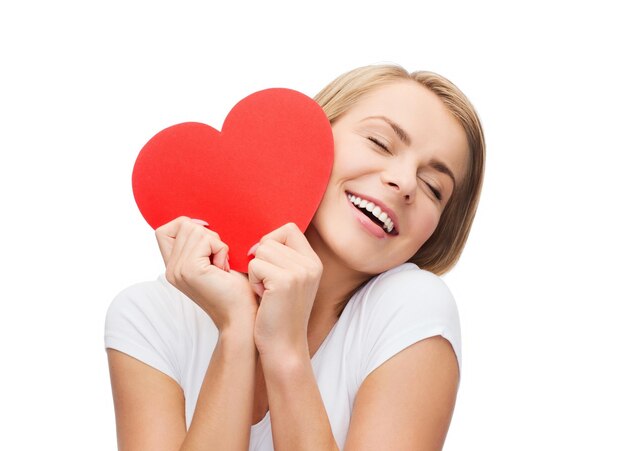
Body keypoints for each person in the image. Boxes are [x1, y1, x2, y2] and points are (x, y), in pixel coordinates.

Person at [105, 64, 485, 450]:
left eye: (434, 187)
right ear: (313, 137)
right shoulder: (149, 316)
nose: (404, 183)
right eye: (380, 143)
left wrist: (286, 351)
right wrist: (236, 330)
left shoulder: (412, 309)